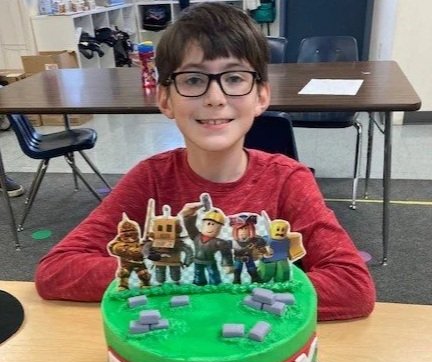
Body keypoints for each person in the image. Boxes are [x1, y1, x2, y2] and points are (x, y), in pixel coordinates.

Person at [35, 2, 375, 321]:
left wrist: (211, 277)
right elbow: (57, 270)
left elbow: (352, 287)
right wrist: (174, 272)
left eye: (234, 78)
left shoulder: (288, 180)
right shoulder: (151, 179)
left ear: (261, 96)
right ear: (165, 99)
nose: (215, 98)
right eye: (194, 80)